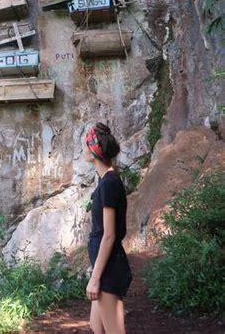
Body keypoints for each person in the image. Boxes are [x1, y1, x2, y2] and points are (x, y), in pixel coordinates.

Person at [84, 122, 132, 334]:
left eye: (85, 145)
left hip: (110, 270)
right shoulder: (105, 182)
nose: (83, 149)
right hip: (104, 268)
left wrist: (95, 278)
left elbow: (109, 235)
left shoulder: (110, 183)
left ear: (94, 150)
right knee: (97, 328)